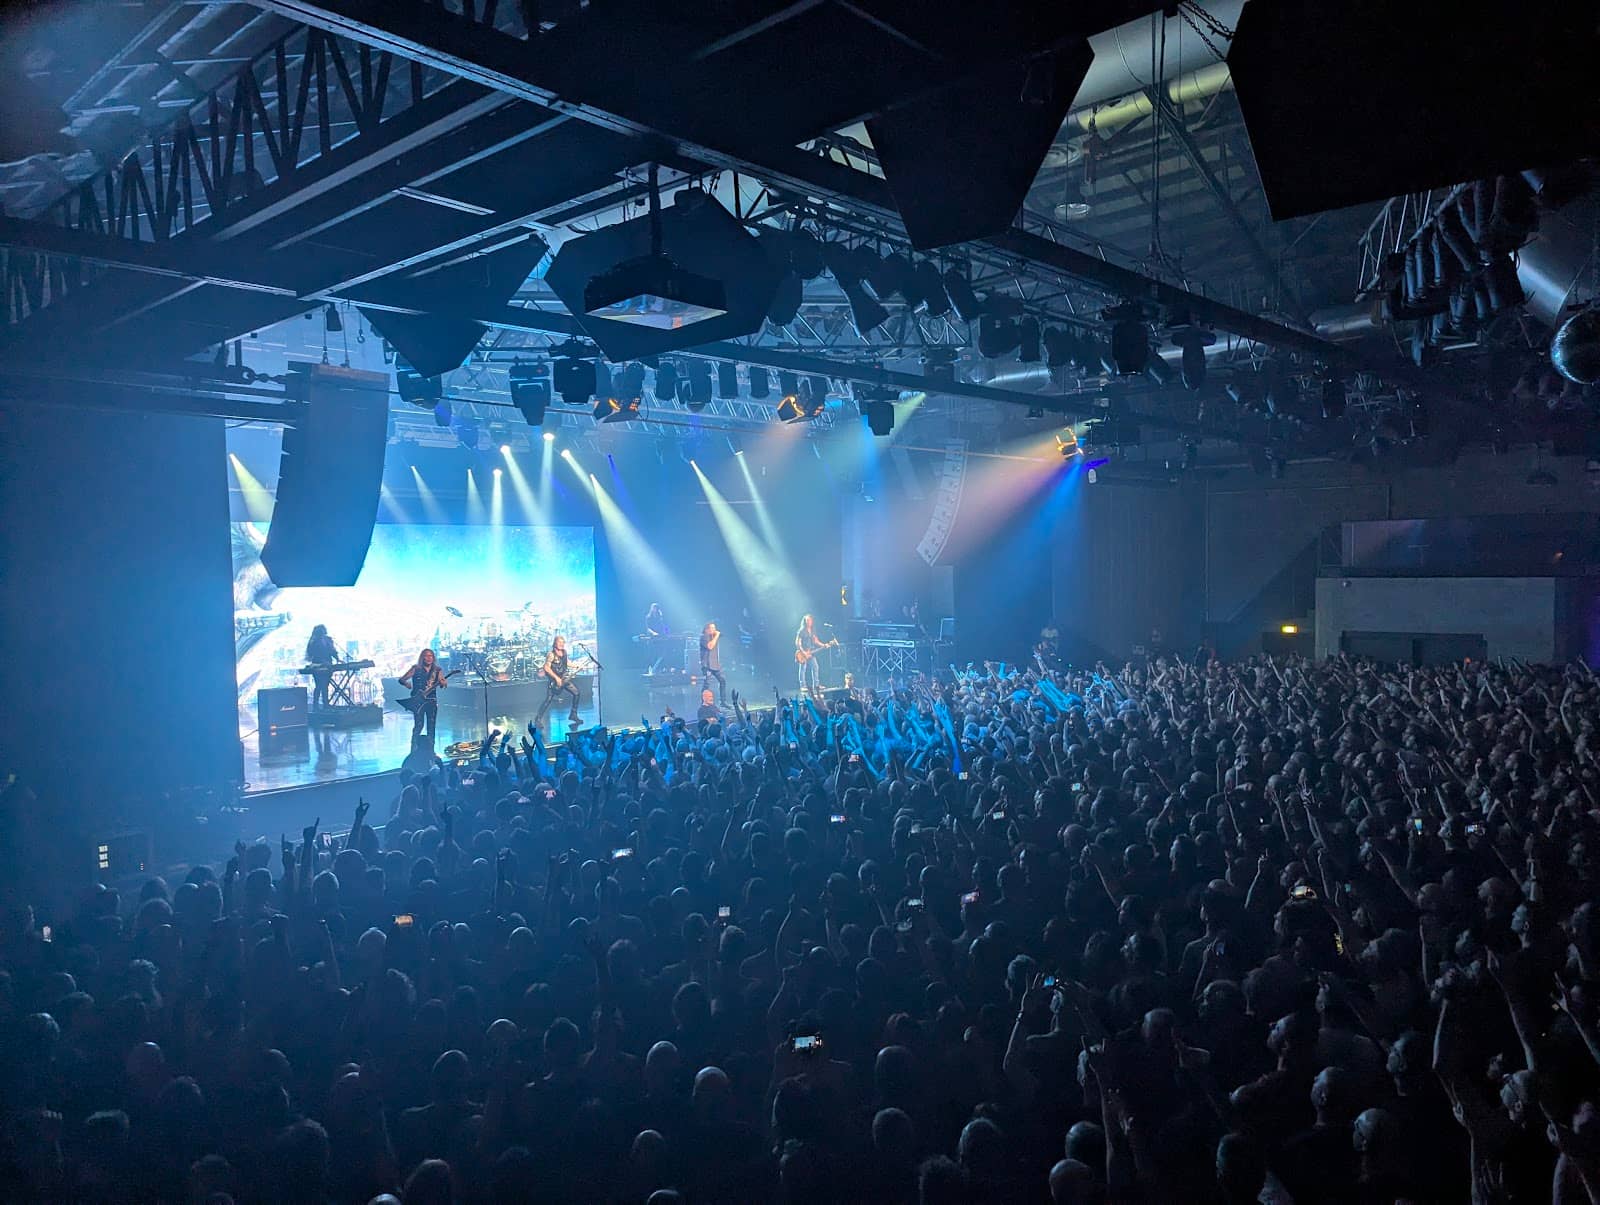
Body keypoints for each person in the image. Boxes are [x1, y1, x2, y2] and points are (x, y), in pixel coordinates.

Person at [534, 635, 580, 731]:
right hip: (554, 681)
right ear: (555, 643)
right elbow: (546, 668)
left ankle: (573, 714)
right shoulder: (551, 654)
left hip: (564, 679)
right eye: (559, 642)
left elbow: (567, 662)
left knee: (576, 693)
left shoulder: (564, 652)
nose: (561, 644)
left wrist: (576, 666)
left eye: (563, 642)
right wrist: (556, 678)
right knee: (548, 700)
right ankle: (538, 719)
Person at [398, 647, 446, 739]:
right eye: (426, 656)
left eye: (431, 656)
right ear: (422, 658)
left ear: (433, 658)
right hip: (418, 701)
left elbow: (441, 682)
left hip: (431, 701)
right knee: (419, 725)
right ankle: (415, 747)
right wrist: (406, 684)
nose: (429, 658)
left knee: (431, 726)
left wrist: (443, 683)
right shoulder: (416, 668)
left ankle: (430, 748)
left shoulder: (437, 670)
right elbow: (401, 679)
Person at [794, 613, 827, 698]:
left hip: (811, 652)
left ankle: (816, 685)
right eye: (807, 620)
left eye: (810, 620)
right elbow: (798, 642)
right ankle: (803, 686)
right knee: (803, 669)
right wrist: (803, 652)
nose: (809, 622)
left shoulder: (812, 630)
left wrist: (823, 645)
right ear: (805, 621)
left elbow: (816, 641)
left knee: (815, 667)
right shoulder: (801, 631)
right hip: (803, 653)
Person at [305, 624, 338, 709]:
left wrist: (337, 658)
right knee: (319, 685)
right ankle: (316, 705)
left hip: (328, 664)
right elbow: (311, 653)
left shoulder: (328, 639)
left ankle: (325, 704)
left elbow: (332, 651)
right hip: (318, 665)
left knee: (325, 685)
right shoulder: (313, 641)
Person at [699, 622, 726, 703]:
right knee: (707, 684)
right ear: (706, 629)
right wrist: (716, 636)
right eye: (712, 628)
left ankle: (723, 702)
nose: (714, 630)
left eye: (714, 628)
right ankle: (704, 702)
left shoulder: (713, 636)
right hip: (707, 665)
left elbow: (723, 634)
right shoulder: (703, 637)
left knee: (722, 680)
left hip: (715, 664)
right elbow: (710, 646)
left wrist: (717, 635)